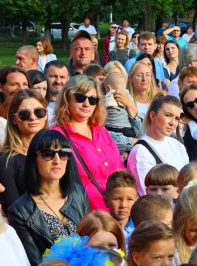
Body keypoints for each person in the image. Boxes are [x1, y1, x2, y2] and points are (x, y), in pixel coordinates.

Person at [8, 129, 90, 266]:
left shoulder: (78, 193)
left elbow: (92, 239)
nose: (57, 160)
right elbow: (34, 261)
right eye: (48, 154)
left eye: (63, 153)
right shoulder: (20, 210)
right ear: (34, 159)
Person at [50, 75, 124, 211]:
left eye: (92, 100)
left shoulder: (102, 131)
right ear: (67, 98)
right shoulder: (57, 136)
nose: (86, 104)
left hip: (118, 211)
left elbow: (120, 169)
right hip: (86, 214)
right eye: (80, 98)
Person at [127, 95, 189, 196]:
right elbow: (146, 197)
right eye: (168, 115)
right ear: (153, 116)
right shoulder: (141, 151)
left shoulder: (178, 145)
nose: (172, 123)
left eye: (177, 118)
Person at [0, 89, 48, 210]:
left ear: (46, 114)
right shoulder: (6, 159)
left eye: (39, 112)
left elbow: (77, 193)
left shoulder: (59, 150)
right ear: (13, 119)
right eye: (24, 114)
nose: (33, 117)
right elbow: (13, 209)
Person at [102, 170, 137, 248]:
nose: (123, 205)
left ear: (136, 201)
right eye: (117, 199)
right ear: (106, 201)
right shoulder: (100, 229)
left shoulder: (141, 229)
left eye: (129, 199)